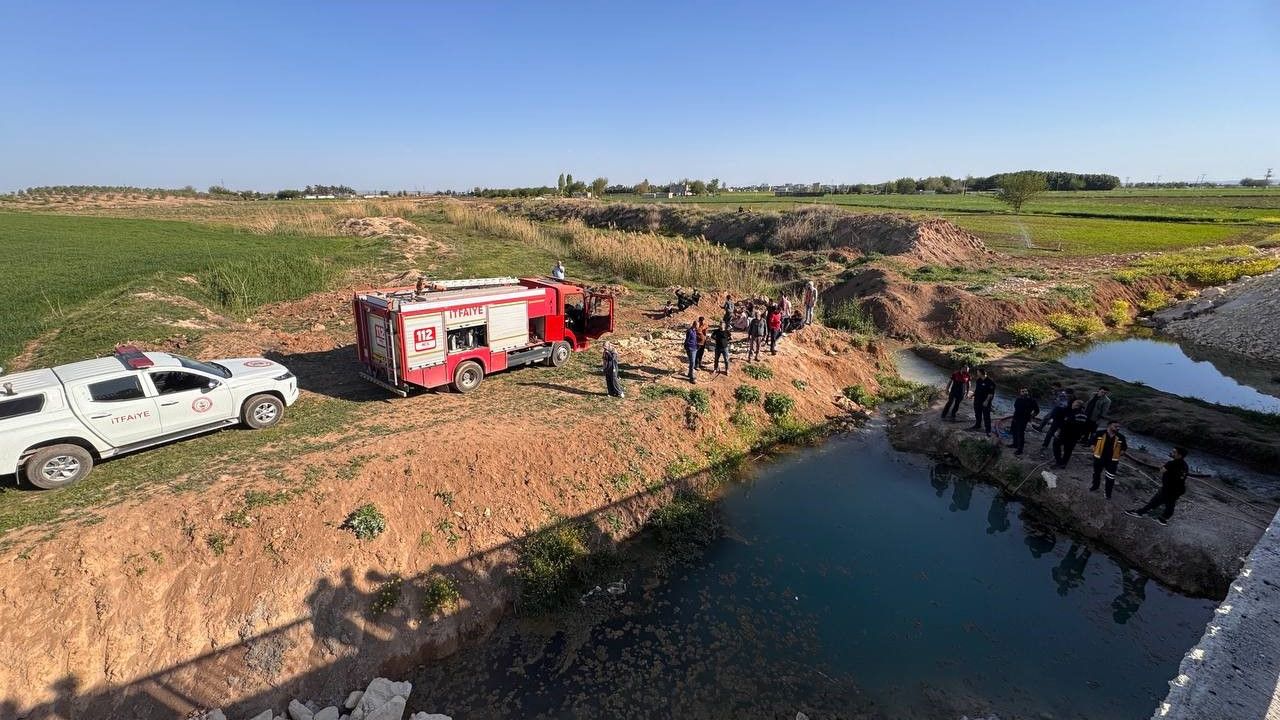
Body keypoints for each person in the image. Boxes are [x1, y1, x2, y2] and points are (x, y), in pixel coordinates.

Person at [1127, 447, 1189, 525]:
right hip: (1179, 489)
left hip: (1169, 489)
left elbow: (1162, 470)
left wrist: (1163, 467)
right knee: (1169, 504)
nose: (1172, 453)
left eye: (1174, 452)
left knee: (1155, 501)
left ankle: (1139, 513)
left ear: (1179, 455)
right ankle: (1163, 519)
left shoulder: (1171, 463)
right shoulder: (1185, 465)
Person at [1090, 421, 1128, 498]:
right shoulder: (1100, 433)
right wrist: (1093, 447)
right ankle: (1095, 486)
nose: (1118, 428)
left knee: (1110, 477)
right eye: (1115, 426)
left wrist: (1122, 452)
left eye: (1119, 427)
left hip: (1112, 460)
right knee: (1096, 473)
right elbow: (1092, 442)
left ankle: (1108, 493)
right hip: (1099, 457)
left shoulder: (1121, 437)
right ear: (1109, 425)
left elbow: (1124, 447)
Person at [1052, 400, 1090, 468]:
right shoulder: (1085, 415)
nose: (1072, 404)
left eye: (1073, 403)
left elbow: (1066, 424)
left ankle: (1058, 461)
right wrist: (1081, 435)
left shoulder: (1073, 413)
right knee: (1068, 450)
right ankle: (1064, 463)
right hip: (1076, 436)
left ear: (1077, 405)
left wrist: (1058, 431)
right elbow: (1085, 426)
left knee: (1056, 445)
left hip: (1066, 434)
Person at [1009, 387, 1040, 455]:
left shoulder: (1032, 401)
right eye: (1022, 391)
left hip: (1024, 419)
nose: (1024, 392)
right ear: (1020, 393)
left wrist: (1032, 416)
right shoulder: (1018, 399)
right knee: (1014, 431)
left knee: (1020, 434)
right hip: (1016, 417)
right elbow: (1015, 407)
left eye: (1025, 391)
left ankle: (1020, 450)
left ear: (1028, 392)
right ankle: (1015, 444)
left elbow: (1037, 410)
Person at [969, 368, 995, 433]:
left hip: (985, 402)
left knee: (986, 415)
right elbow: (977, 390)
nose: (977, 373)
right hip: (977, 400)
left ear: (981, 373)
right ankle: (977, 425)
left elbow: (991, 394)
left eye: (978, 372)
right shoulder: (978, 380)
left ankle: (988, 429)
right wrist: (972, 395)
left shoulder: (990, 382)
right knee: (977, 413)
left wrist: (986, 401)